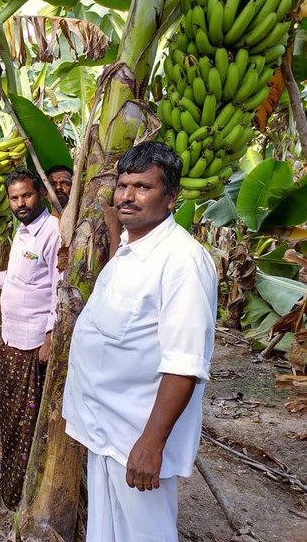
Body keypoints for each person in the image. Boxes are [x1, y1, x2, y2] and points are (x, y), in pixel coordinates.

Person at [62, 142, 218, 541]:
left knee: (144, 534)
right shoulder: (133, 247)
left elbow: (185, 364)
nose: (127, 197)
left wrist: (152, 443)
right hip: (104, 430)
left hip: (136, 435)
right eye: (123, 186)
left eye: (143, 188)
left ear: (171, 198)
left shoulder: (182, 261)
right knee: (108, 531)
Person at [0, 168, 63, 510]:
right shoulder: (24, 232)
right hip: (12, 337)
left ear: (39, 193)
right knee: (9, 413)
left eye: (26, 195)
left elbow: (59, 285)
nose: (20, 203)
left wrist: (50, 337)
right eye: (14, 198)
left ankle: (22, 495)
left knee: (26, 422)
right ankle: (10, 484)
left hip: (33, 342)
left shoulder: (53, 232)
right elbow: (25, 276)